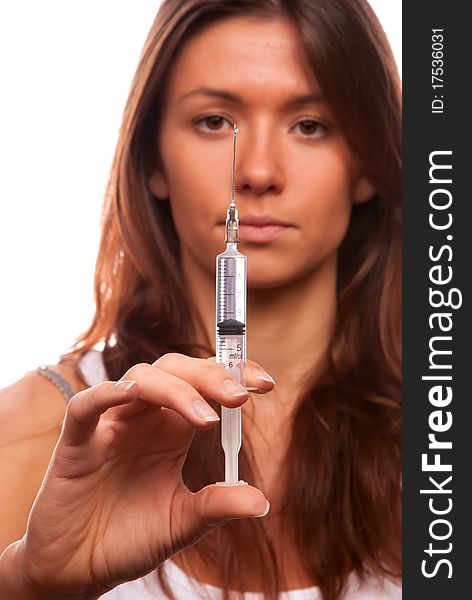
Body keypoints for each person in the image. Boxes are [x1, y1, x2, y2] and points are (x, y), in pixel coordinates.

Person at [0, 0, 402, 598]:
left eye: (311, 124)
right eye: (214, 121)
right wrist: (30, 585)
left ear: (368, 163)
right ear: (152, 159)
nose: (259, 171)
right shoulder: (40, 438)